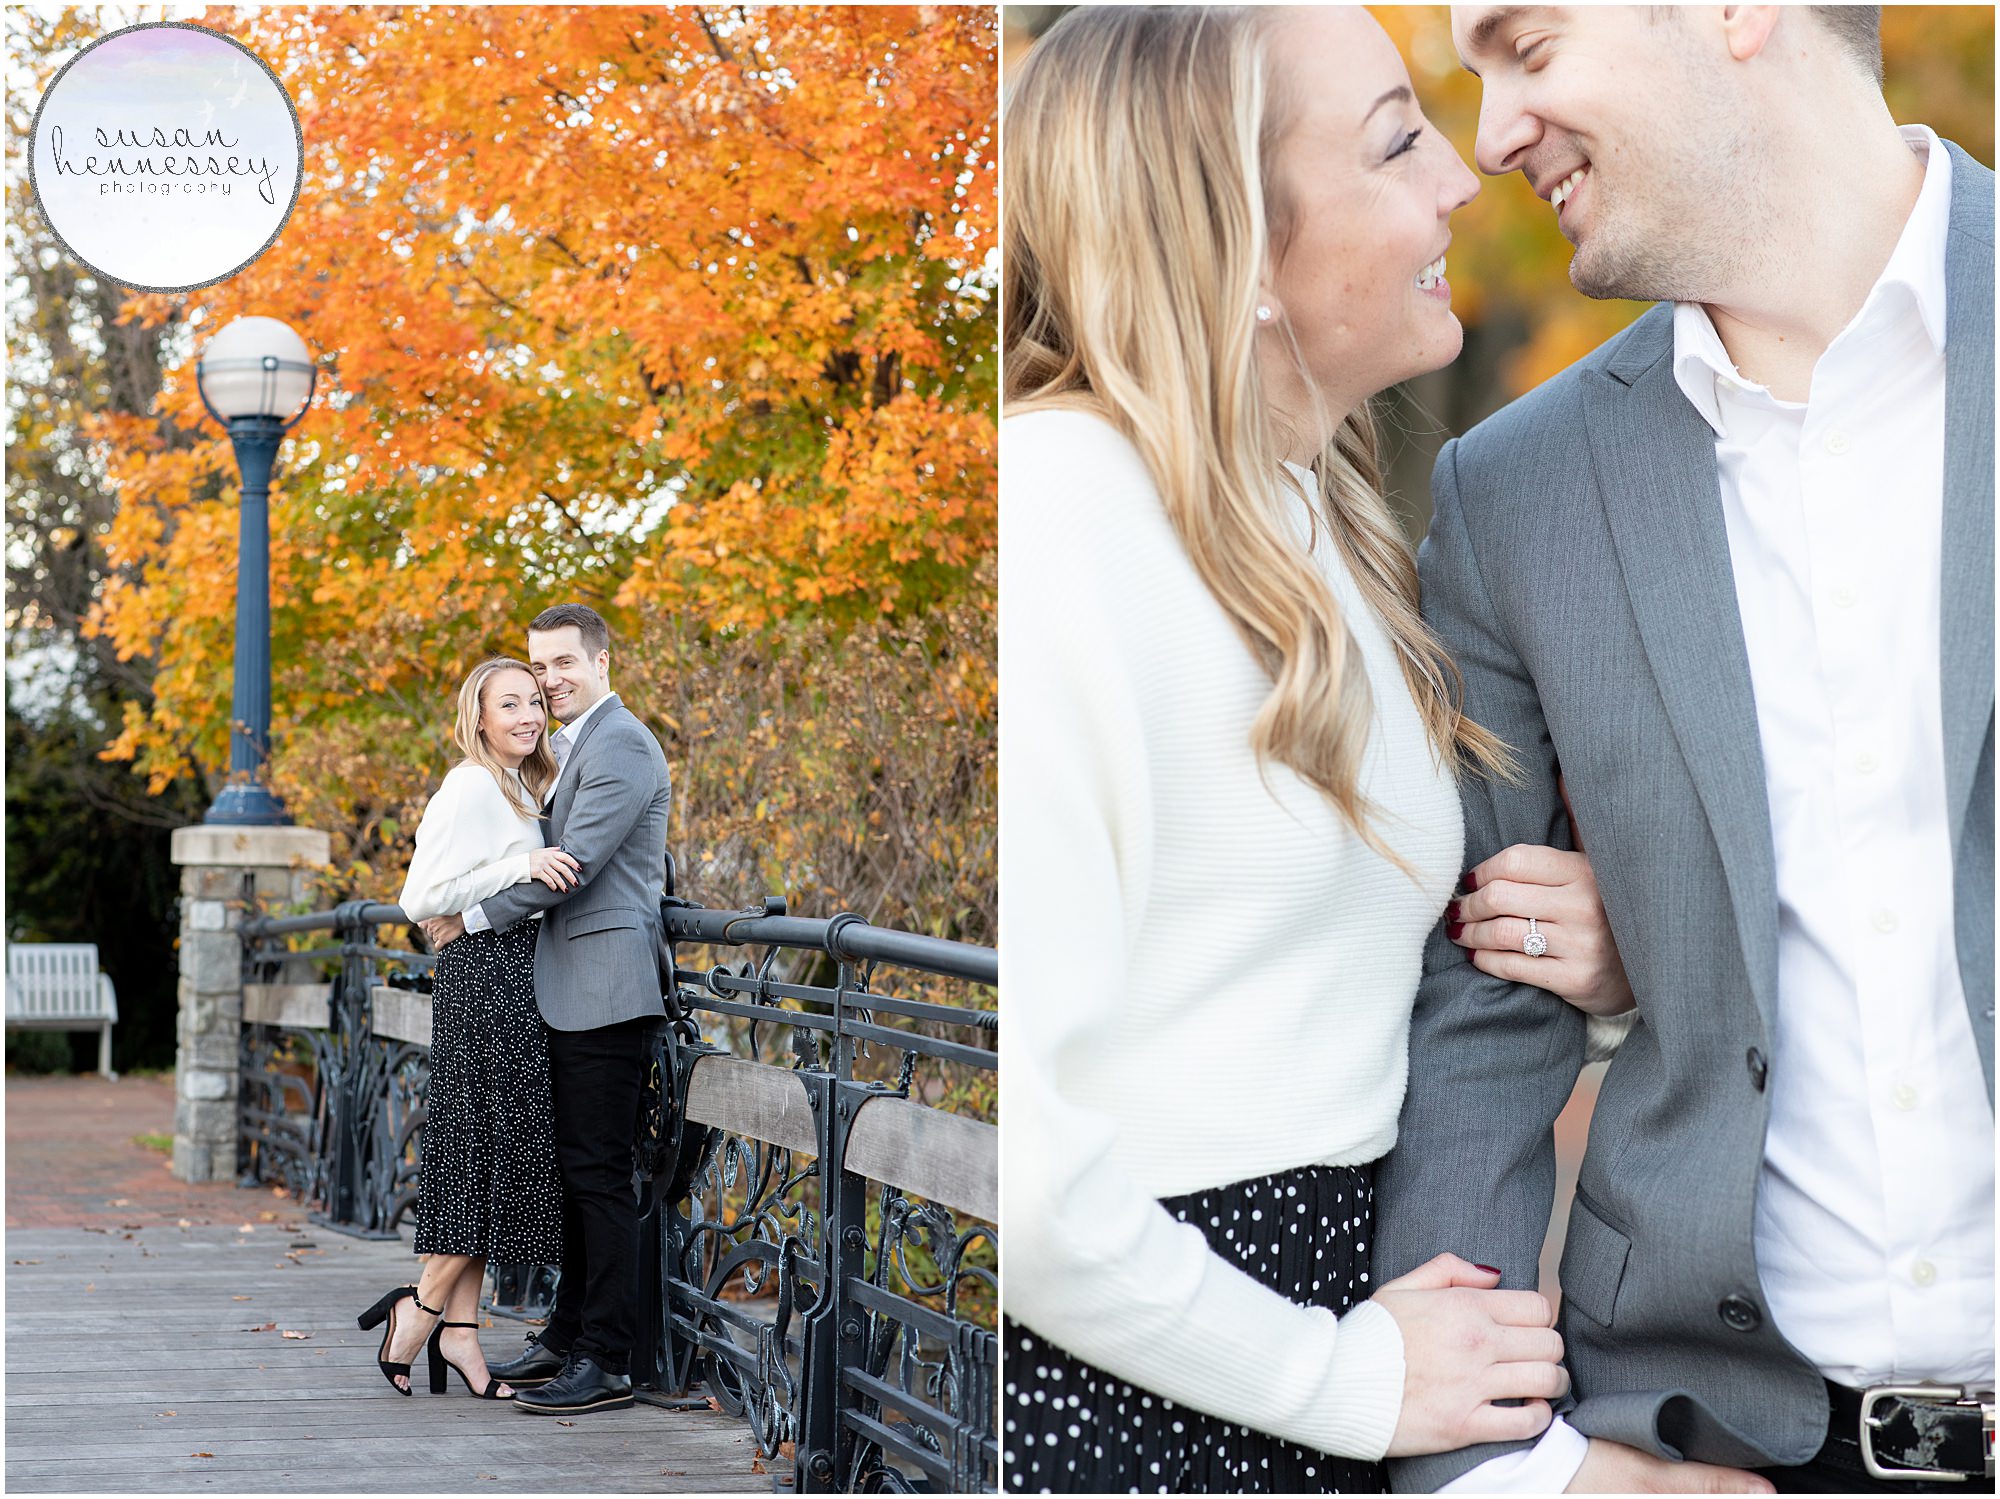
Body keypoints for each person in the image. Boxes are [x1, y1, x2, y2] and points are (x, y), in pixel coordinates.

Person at [999, 8, 1735, 1492]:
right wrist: (1338, 1374)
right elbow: (1024, 1163)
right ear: (1237, 250)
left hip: (1326, 1325)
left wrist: (1594, 951)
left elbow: (1314, 960)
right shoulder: (1065, 521)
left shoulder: (1322, 518)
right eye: (1398, 141)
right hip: (1146, 1387)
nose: (1463, 181)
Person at [1375, 6, 1993, 1493]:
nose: (1494, 135)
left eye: (1527, 47)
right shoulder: (1515, 493)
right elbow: (1485, 998)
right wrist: (1505, 1472)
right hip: (1707, 1442)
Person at [418, 603, 672, 1417]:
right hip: (561, 988)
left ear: (602, 661)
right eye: (540, 667)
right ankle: (568, 1334)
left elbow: (577, 865)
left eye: (564, 663)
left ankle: (608, 1358)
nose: (551, 680)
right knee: (573, 1169)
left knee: (599, 1174)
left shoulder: (623, 743)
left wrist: (470, 917)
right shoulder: (560, 750)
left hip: (606, 985)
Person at [358, 657, 578, 1398]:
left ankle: (460, 1335)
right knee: (492, 1153)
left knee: (484, 1152)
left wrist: (518, 861)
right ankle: (417, 1311)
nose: (526, 715)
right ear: (478, 718)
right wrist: (520, 864)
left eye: (532, 702)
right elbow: (420, 896)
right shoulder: (471, 783)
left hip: (514, 980)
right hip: (483, 980)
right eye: (507, 704)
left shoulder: (519, 784)